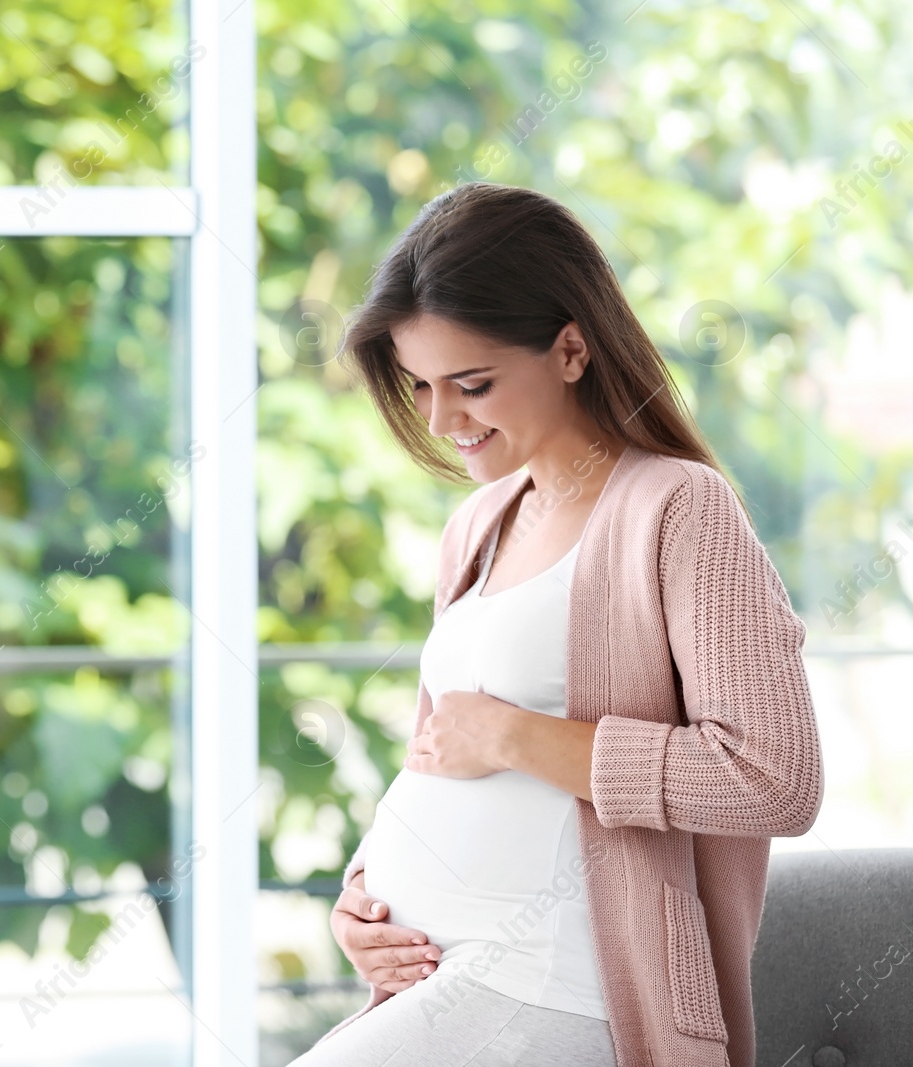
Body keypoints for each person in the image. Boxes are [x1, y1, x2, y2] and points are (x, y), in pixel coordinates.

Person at [289, 182, 824, 1067]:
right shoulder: (479, 523)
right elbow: (444, 756)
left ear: (570, 348)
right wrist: (364, 906)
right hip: (447, 977)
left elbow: (775, 777)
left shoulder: (678, 508)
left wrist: (516, 734)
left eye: (473, 384)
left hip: (558, 984)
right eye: (419, 385)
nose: (441, 419)